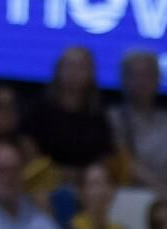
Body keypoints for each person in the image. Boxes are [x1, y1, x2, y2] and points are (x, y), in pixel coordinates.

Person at [108, 50, 167, 194]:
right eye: (135, 75)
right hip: (131, 196)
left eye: (147, 75)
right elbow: (123, 160)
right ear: (124, 79)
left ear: (158, 79)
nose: (141, 81)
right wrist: (159, 189)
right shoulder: (113, 119)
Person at [24, 47, 116, 182]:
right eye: (69, 66)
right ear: (58, 69)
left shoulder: (98, 112)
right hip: (44, 178)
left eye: (80, 67)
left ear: (91, 72)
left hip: (85, 181)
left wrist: (83, 175)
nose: (74, 73)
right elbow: (27, 143)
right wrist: (54, 173)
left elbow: (106, 153)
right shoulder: (41, 105)